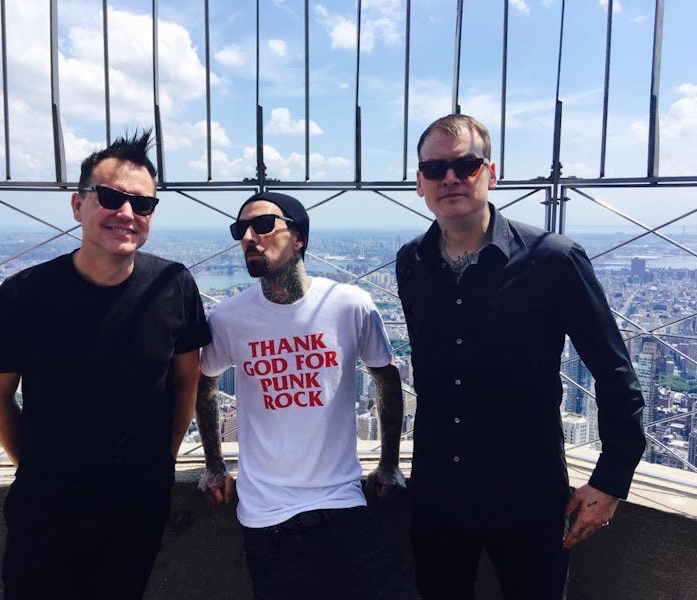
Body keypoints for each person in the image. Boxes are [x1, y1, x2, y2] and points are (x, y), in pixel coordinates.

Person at [396, 113, 647, 598]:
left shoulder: (552, 259)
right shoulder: (412, 262)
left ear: (491, 174)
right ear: (420, 183)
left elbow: (614, 370)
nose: (450, 178)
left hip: (527, 497)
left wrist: (611, 480)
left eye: (466, 165)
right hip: (438, 495)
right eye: (435, 168)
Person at [0, 130, 211, 599]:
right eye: (111, 197)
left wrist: (161, 464)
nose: (127, 213)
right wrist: (39, 468)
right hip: (46, 509)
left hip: (136, 507)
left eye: (142, 204)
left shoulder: (174, 285)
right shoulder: (23, 295)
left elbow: (186, 384)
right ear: (77, 204)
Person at [195, 191, 419, 599]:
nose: (249, 237)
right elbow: (205, 384)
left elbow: (386, 378)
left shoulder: (350, 305)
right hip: (268, 521)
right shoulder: (228, 317)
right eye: (240, 230)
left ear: (298, 238)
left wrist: (388, 464)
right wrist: (213, 464)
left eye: (264, 225)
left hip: (345, 506)